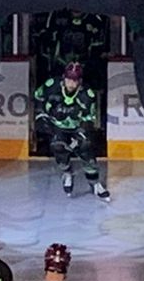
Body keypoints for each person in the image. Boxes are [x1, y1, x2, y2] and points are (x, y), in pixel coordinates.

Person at [35, 59, 108, 199]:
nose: (71, 83)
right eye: (69, 79)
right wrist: (41, 115)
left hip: (76, 127)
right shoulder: (52, 85)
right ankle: (67, 172)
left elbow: (89, 118)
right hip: (57, 125)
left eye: (75, 80)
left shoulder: (87, 94)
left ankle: (95, 183)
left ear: (80, 81)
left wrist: (82, 132)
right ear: (64, 77)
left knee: (85, 148)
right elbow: (38, 96)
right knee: (57, 146)